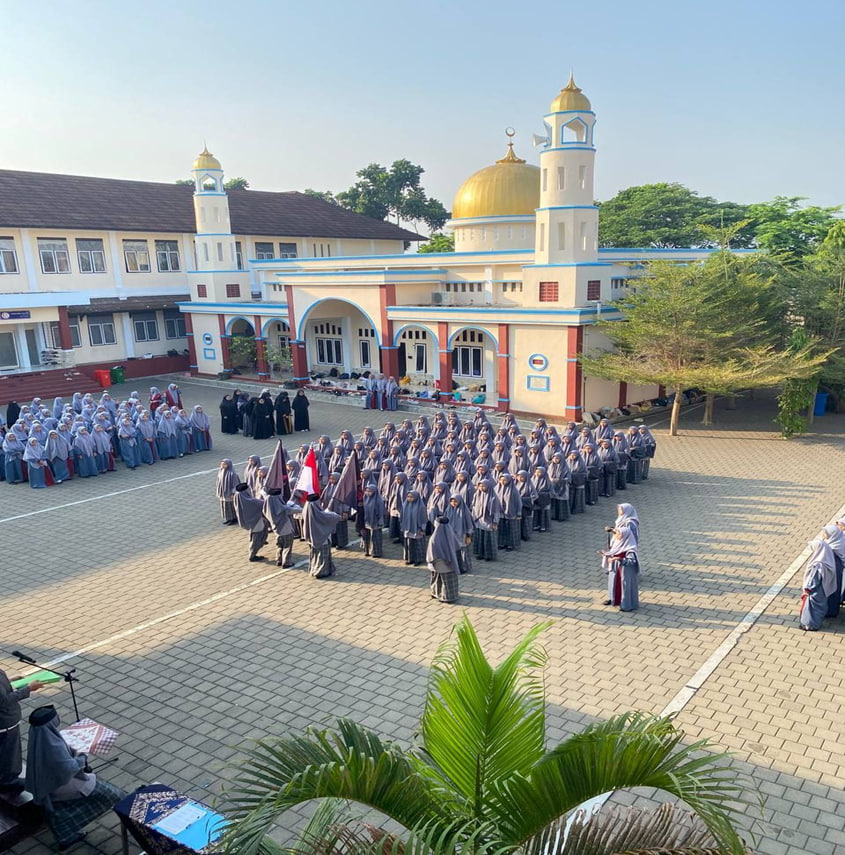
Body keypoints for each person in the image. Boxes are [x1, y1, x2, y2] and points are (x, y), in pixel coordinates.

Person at [25, 705, 123, 849]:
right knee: (112, 794)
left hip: (46, 784)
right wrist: (83, 756)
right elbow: (69, 768)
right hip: (61, 784)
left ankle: (64, 835)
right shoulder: (54, 745)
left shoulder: (39, 738)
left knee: (60, 810)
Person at [0, 671, 43, 793]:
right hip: (5, 724)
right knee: (10, 754)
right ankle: (9, 782)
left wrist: (10, 680)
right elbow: (4, 701)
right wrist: (28, 689)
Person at [602, 503, 640, 611]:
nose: (618, 511)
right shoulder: (621, 520)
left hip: (624, 565)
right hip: (617, 559)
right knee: (612, 582)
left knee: (624, 584)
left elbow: (627, 535)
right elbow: (620, 533)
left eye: (620, 509)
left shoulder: (630, 524)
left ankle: (625, 604)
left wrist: (618, 558)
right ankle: (612, 598)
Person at [799, 538, 838, 631]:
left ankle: (809, 625)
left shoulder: (818, 564)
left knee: (811, 609)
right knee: (819, 607)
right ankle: (814, 624)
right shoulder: (828, 560)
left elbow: (814, 579)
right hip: (823, 590)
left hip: (815, 591)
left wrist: (807, 589)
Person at [302, 494, 340, 578]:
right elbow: (331, 517)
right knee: (323, 557)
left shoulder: (306, 510)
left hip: (312, 537)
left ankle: (314, 569)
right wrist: (336, 515)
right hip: (322, 537)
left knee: (315, 555)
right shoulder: (318, 513)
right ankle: (320, 572)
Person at [427, 515, 460, 603]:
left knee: (437, 579)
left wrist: (431, 561)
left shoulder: (434, 538)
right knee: (448, 580)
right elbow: (457, 546)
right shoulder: (450, 533)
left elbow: (431, 553)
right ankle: (449, 596)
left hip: (437, 563)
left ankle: (436, 593)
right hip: (450, 562)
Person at [233, 483, 269, 562]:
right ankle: (252, 555)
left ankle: (260, 542)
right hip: (255, 521)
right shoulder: (250, 501)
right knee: (256, 538)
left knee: (264, 525)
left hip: (248, 521)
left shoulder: (238, 498)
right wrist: (265, 495)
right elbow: (262, 503)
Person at [263, 487, 297, 567]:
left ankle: (279, 559)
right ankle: (286, 562)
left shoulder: (268, 505)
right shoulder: (280, 506)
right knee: (287, 546)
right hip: (285, 528)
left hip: (276, 529)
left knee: (280, 545)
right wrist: (301, 509)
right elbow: (289, 510)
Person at [471, 478, 501, 561]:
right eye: (480, 486)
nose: (481, 488)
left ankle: (488, 556)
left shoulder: (493, 498)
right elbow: (473, 507)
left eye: (483, 486)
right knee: (480, 538)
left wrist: (495, 522)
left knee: (488, 539)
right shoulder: (477, 495)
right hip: (479, 520)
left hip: (488, 521)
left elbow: (496, 511)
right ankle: (480, 554)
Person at [446, 493, 474, 574]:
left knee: (462, 552)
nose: (453, 503)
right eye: (452, 501)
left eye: (455, 501)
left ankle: (464, 567)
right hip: (452, 534)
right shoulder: (448, 509)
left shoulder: (465, 511)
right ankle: (455, 566)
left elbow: (469, 525)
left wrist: (469, 536)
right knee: (453, 551)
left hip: (462, 535)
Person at [400, 490, 428, 566]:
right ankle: (410, 559)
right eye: (408, 497)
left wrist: (422, 529)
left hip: (417, 529)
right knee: (409, 544)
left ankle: (418, 559)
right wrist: (402, 526)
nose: (409, 498)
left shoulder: (421, 507)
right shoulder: (405, 505)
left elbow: (423, 519)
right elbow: (402, 516)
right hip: (408, 528)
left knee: (417, 545)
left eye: (411, 497)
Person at [360, 483, 385, 557]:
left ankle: (376, 552)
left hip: (376, 521)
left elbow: (381, 512)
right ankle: (367, 551)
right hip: (367, 521)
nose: (367, 493)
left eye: (369, 491)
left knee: (375, 537)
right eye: (366, 491)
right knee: (367, 536)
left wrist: (380, 521)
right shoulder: (365, 498)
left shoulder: (379, 500)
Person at [216, 459, 240, 525]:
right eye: (221, 464)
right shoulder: (220, 471)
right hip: (223, 493)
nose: (222, 466)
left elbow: (236, 484)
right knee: (224, 506)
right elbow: (218, 481)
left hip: (229, 493)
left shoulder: (232, 473)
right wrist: (218, 490)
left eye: (224, 464)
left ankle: (234, 519)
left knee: (231, 506)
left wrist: (233, 493)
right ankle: (228, 518)